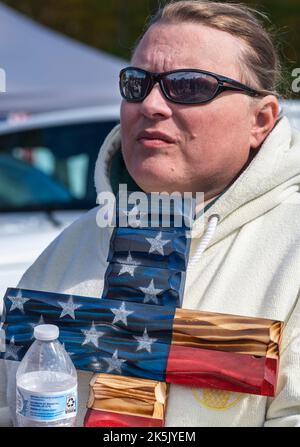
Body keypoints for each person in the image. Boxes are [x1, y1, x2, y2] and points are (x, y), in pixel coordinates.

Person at [1, 0, 300, 427]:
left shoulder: (292, 247)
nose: (152, 104)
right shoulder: (73, 244)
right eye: (137, 83)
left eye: (191, 86)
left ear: (262, 120)